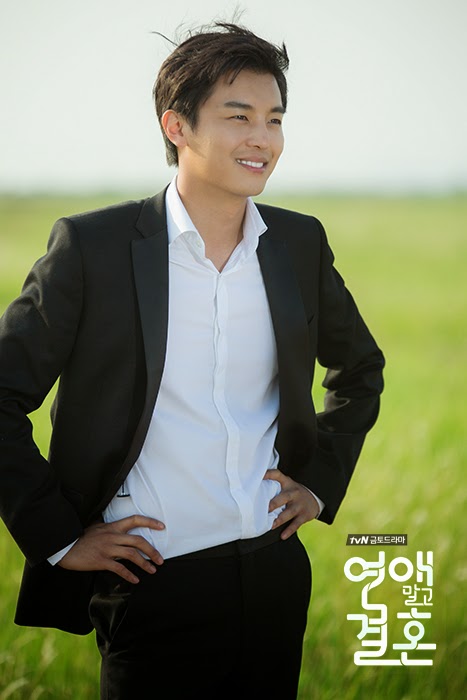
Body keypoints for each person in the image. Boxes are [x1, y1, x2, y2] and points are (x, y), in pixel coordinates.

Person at [0, 21, 384, 700]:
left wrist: (318, 481)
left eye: (274, 119)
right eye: (238, 117)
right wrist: (59, 538)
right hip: (153, 582)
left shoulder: (296, 243)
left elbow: (359, 370)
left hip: (273, 573)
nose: (262, 138)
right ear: (176, 126)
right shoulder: (93, 249)